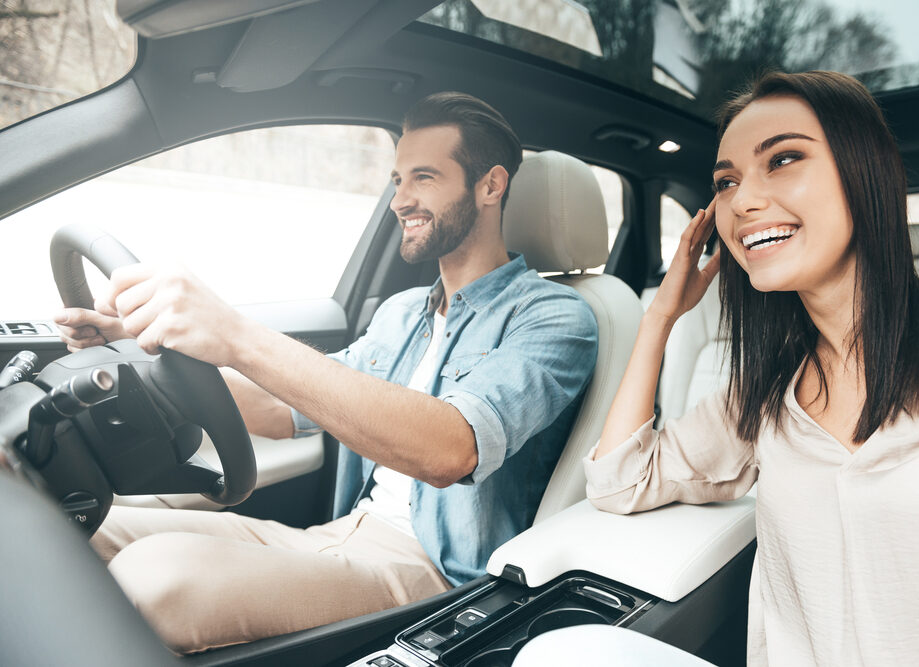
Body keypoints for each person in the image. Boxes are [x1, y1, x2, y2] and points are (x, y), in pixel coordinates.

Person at [57, 92, 599, 654]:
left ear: (490, 186)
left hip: (437, 576)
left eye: (424, 177)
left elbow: (451, 450)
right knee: (73, 524)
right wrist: (140, 349)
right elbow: (283, 408)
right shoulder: (402, 313)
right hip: (338, 536)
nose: (400, 200)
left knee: (151, 577)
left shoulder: (555, 318)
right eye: (397, 180)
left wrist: (235, 334)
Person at [581, 71, 919, 665]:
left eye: (782, 160)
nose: (742, 201)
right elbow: (618, 479)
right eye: (726, 182)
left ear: (863, 172)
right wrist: (660, 318)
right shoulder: (767, 392)